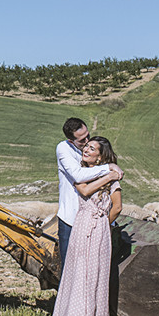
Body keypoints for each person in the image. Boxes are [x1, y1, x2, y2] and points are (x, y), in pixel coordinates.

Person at [48, 136, 123, 316]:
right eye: (86, 147)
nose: (86, 150)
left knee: (95, 281)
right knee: (78, 279)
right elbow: (84, 190)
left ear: (100, 156)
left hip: (97, 229)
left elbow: (116, 208)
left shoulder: (110, 181)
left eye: (92, 149)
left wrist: (101, 223)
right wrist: (109, 174)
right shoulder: (82, 173)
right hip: (80, 228)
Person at [55, 118, 110, 290]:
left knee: (89, 269)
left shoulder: (86, 151)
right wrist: (109, 169)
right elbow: (79, 176)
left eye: (88, 136)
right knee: (69, 269)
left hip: (90, 220)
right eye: (82, 140)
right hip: (71, 218)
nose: (87, 142)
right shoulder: (63, 149)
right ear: (71, 140)